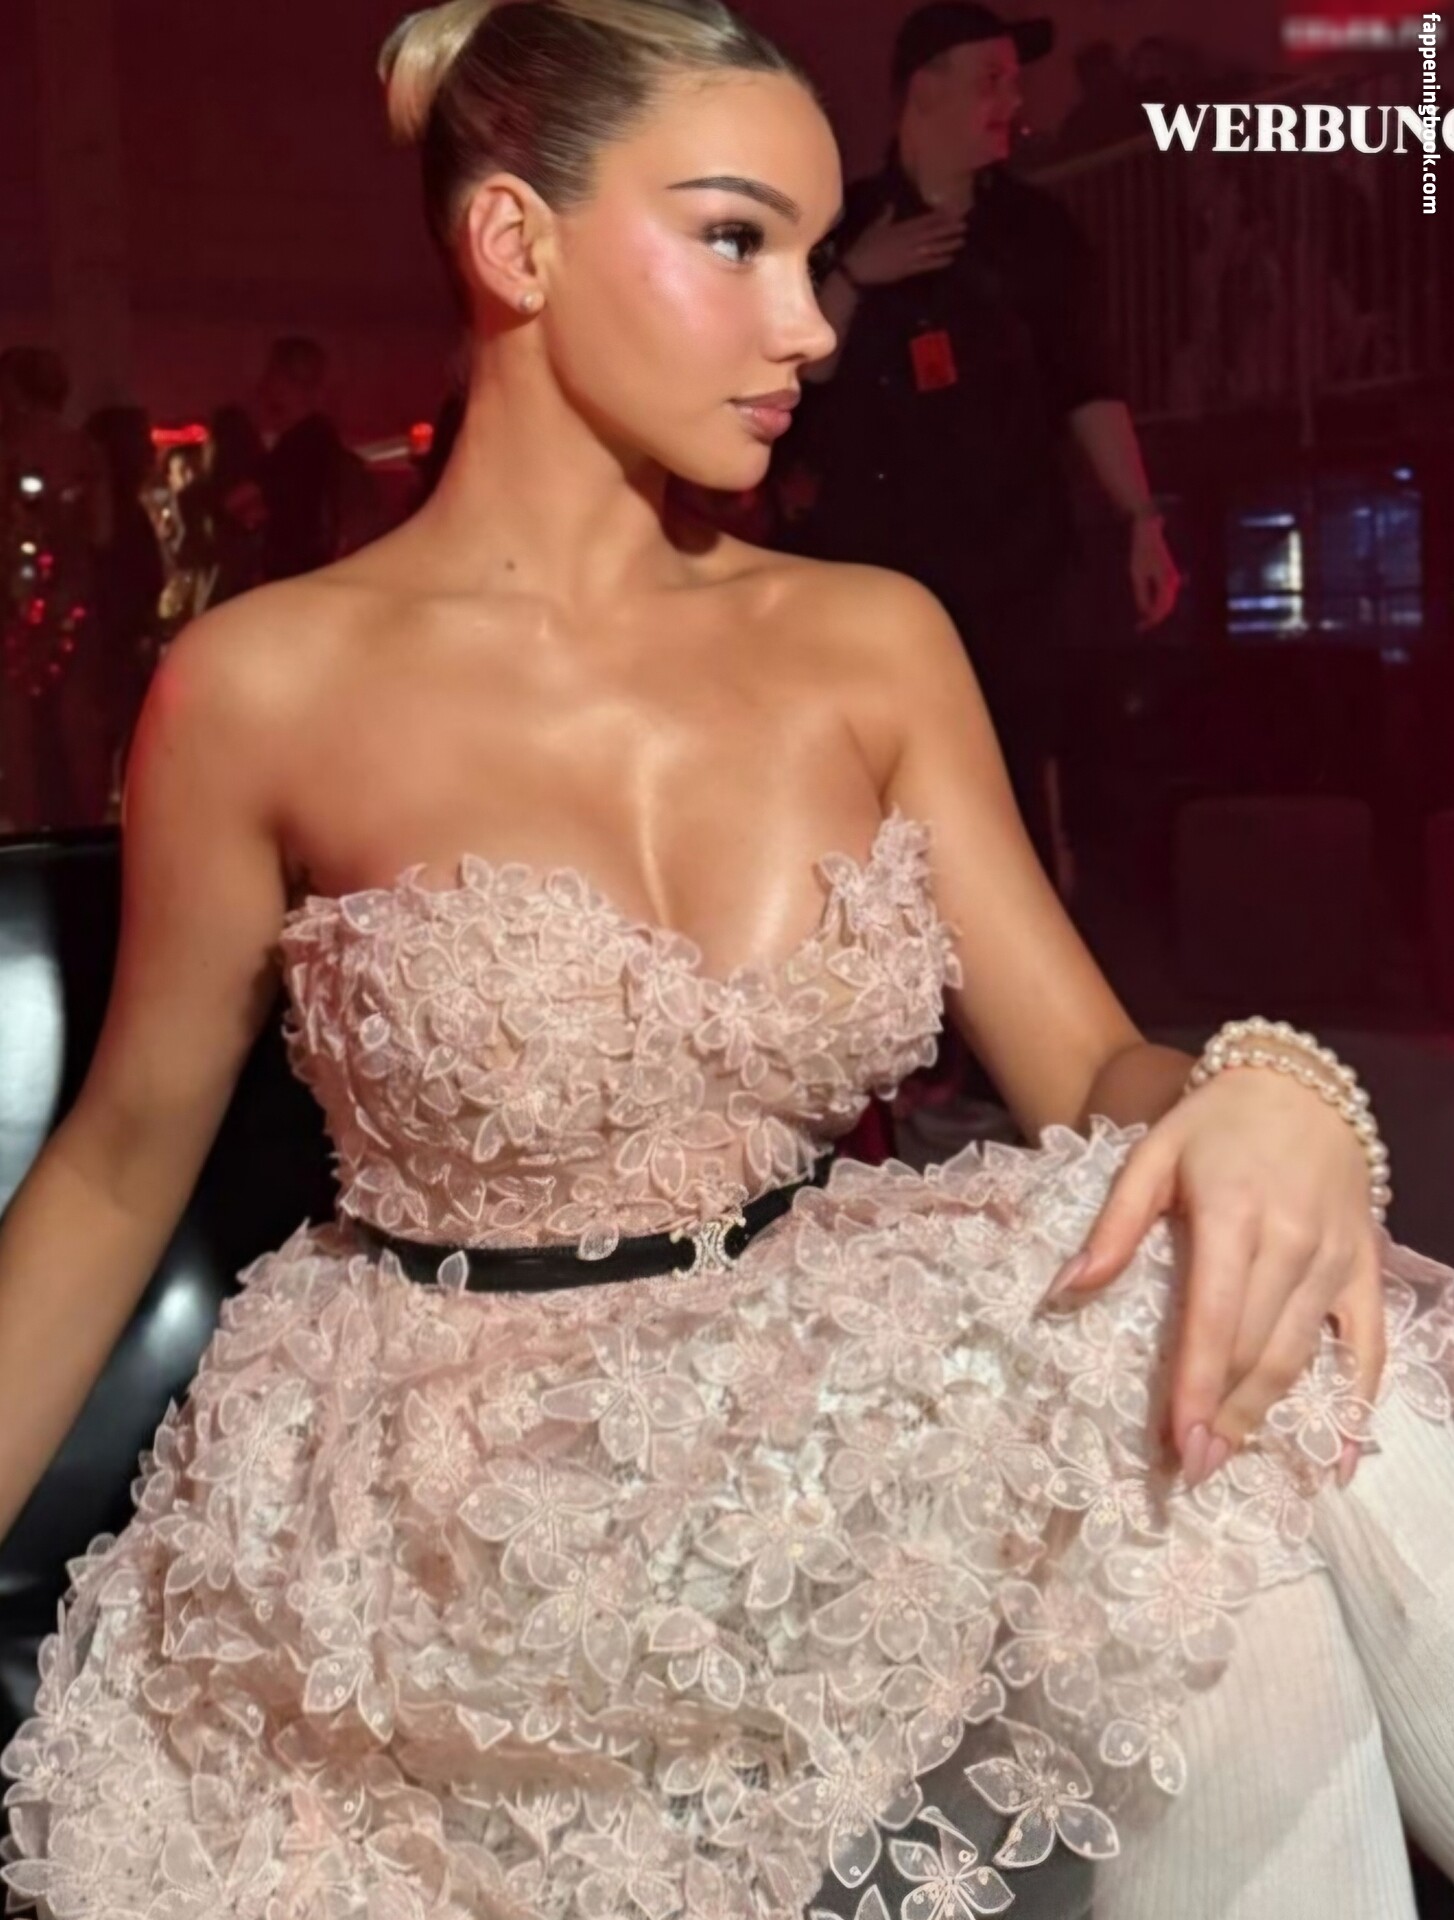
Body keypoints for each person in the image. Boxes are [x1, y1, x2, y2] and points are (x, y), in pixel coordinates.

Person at [0, 5, 1449, 1917]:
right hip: (457, 1522)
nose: (811, 327)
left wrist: (1262, 1092)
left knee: (1226, 1402)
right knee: (1208, 1405)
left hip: (808, 1421)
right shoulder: (262, 686)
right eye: (734, 239)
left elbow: (1087, 1070)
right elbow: (115, 1170)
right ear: (514, 245)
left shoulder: (868, 639)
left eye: (810, 248)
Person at [789, 1, 1180, 891]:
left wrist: (1141, 517)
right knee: (874, 789)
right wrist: (855, 276)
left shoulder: (1038, 234)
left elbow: (1088, 384)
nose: (1013, 100)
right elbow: (800, 375)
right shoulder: (844, 225)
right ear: (925, 91)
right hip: (876, 572)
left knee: (1010, 779)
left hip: (1012, 569)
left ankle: (1021, 960)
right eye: (991, 80)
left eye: (1014, 81)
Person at [0, 345, 109, 830]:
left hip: (15, 596)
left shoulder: (10, 445)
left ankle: (25, 840)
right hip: (75, 596)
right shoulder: (86, 450)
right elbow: (102, 531)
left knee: (16, 721)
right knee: (77, 719)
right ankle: (89, 836)